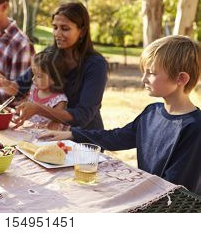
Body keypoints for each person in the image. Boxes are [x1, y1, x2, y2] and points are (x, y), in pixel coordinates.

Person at [38, 36, 200, 194]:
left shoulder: (194, 128)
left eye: (151, 73)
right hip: (146, 194)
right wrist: (71, 134)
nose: (144, 79)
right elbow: (117, 137)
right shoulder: (151, 112)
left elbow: (177, 188)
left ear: (181, 78)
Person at [0, 2, 108, 130]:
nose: (57, 34)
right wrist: (3, 83)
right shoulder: (50, 54)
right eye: (55, 27)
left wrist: (39, 109)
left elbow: (82, 116)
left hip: (83, 139)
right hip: (48, 135)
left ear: (82, 31)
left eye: (65, 29)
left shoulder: (96, 65)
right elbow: (20, 87)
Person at [21, 47, 69, 129]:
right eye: (33, 74)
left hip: (46, 139)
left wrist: (36, 127)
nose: (33, 79)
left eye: (38, 76)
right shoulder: (34, 89)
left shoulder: (59, 100)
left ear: (54, 78)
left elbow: (54, 127)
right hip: (27, 133)